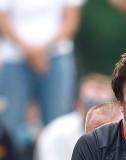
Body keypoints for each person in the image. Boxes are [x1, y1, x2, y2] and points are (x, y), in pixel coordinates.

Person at [0, 0, 84, 151]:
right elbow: (2, 18)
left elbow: (71, 20)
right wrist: (31, 52)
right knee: (8, 122)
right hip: (14, 58)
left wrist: (41, 50)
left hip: (57, 55)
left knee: (58, 123)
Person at [33, 73, 114, 160]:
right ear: (77, 104)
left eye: (103, 105)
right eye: (91, 104)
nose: (97, 112)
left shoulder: (118, 134)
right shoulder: (57, 132)